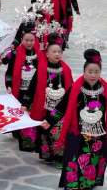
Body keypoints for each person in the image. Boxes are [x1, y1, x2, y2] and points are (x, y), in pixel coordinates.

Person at [56, 49, 107, 189]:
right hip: (78, 133)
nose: (93, 75)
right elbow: (62, 105)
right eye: (90, 71)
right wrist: (49, 119)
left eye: (96, 72)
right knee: (76, 159)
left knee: (92, 160)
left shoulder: (104, 89)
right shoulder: (76, 88)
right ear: (84, 72)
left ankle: (88, 183)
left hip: (98, 134)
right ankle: (73, 184)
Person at [24, 35, 73, 164]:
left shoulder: (66, 70)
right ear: (47, 54)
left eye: (59, 52)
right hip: (45, 106)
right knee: (46, 130)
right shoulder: (41, 69)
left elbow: (70, 89)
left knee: (58, 130)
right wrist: (26, 102)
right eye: (54, 51)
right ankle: (48, 155)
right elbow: (32, 86)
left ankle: (59, 156)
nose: (57, 54)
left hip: (61, 106)